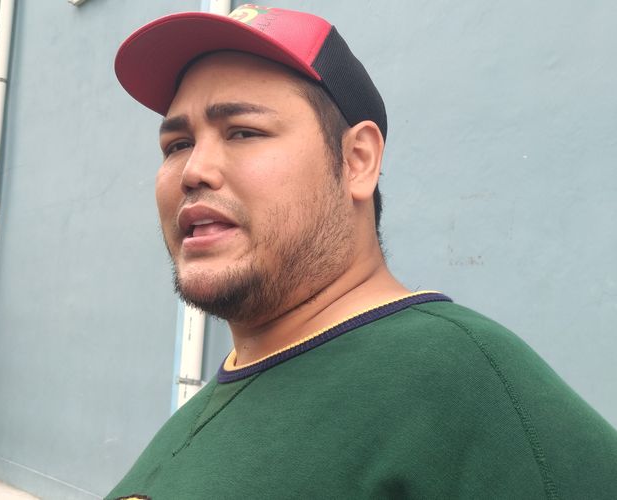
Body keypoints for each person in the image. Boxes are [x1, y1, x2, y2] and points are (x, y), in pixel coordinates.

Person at [107, 5, 617, 499]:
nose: (194, 170)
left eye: (243, 131)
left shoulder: (463, 384)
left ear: (357, 160)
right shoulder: (220, 396)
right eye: (177, 144)